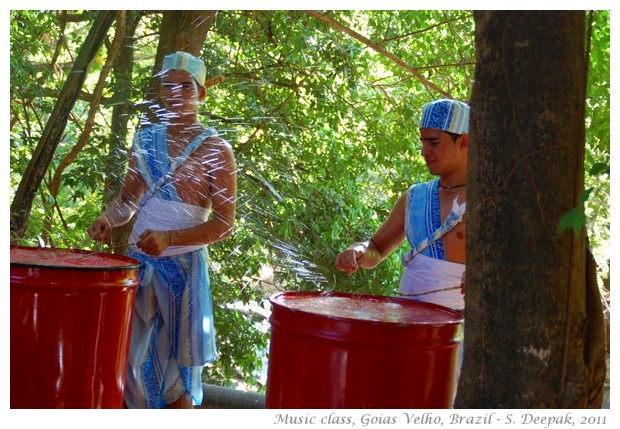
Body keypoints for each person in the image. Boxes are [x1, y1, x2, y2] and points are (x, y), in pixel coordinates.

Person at [88, 51, 237, 408]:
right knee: (129, 364)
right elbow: (127, 202)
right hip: (138, 269)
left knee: (177, 374)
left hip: (183, 277)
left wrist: (170, 239)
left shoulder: (217, 150)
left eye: (185, 86)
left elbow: (223, 224)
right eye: (167, 86)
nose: (175, 94)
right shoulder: (145, 141)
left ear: (201, 93)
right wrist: (108, 219)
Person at [335, 98, 469, 312]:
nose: (424, 151)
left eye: (433, 143)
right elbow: (376, 249)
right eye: (423, 142)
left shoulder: (490, 203)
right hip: (407, 326)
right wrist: (359, 251)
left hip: (459, 336)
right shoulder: (415, 197)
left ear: (463, 142)